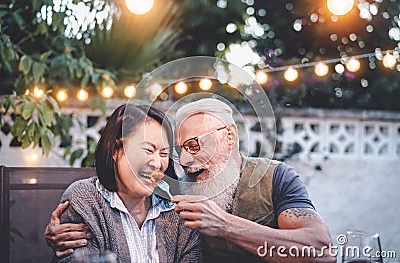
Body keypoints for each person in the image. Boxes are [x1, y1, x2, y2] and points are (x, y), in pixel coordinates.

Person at [45, 99, 334, 262]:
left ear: (229, 135)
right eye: (180, 150)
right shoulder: (177, 195)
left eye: (194, 145)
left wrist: (224, 225)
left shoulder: (275, 177)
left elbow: (323, 251)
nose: (183, 161)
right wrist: (58, 241)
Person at [45, 104, 201, 262]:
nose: (157, 163)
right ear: (115, 149)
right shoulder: (84, 199)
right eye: (148, 149)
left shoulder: (178, 209)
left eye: (163, 153)